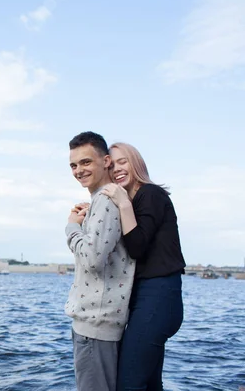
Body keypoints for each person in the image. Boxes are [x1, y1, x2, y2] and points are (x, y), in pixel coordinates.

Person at [100, 142, 186, 391]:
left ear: (136, 162)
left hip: (159, 297)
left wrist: (123, 203)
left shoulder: (151, 194)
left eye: (123, 161)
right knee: (149, 384)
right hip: (144, 299)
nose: (117, 168)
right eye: (112, 164)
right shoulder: (133, 202)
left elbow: (137, 247)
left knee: (129, 384)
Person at [65, 131, 135, 391]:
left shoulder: (106, 201)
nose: (78, 170)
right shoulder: (105, 200)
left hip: (95, 325)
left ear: (106, 161)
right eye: (73, 165)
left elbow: (92, 259)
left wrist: (72, 228)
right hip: (100, 323)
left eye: (86, 162)